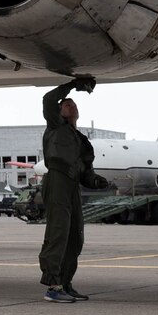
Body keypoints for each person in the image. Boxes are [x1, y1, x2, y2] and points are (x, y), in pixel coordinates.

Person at [37, 77, 102, 303]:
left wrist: (97, 182)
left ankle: (65, 282)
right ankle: (53, 286)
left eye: (73, 104)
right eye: (65, 103)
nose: (70, 105)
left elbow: (87, 172)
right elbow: (48, 98)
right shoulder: (55, 125)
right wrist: (73, 84)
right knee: (58, 233)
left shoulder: (82, 141)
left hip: (72, 186)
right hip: (57, 181)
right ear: (58, 111)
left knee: (75, 236)